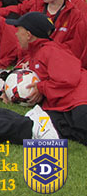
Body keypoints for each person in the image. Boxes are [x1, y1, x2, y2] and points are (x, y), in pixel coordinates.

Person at [7, 11, 87, 142]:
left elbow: (67, 79)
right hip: (65, 106)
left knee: (80, 128)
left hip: (79, 102)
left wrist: (41, 87)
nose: (16, 34)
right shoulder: (35, 53)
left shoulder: (50, 50)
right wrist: (10, 94)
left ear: (28, 35)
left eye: (18, 30)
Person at [0, 0, 87, 67]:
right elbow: (26, 36)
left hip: (57, 62)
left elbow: (73, 46)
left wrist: (44, 58)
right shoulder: (37, 4)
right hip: (31, 61)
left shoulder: (74, 14)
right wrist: (27, 60)